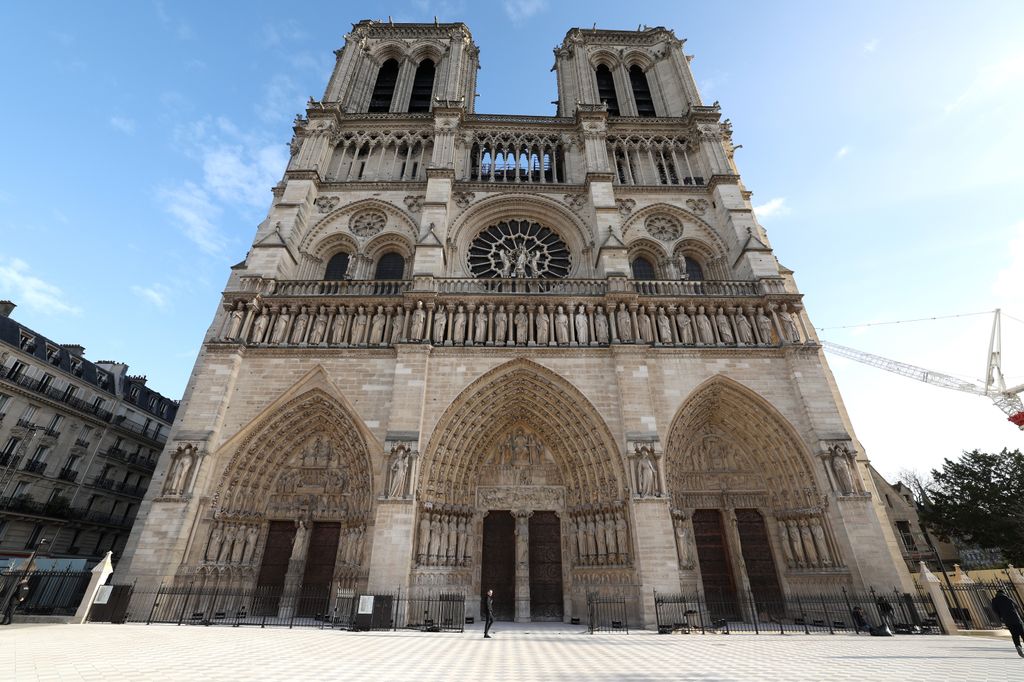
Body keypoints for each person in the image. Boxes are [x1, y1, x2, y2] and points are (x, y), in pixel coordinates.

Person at [991, 589, 1024, 658]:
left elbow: (995, 610)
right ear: (1004, 593)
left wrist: (1001, 616)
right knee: (1022, 632)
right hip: (1016, 618)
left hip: (1007, 620)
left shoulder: (994, 600)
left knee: (1014, 634)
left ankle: (1018, 646)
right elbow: (1016, 606)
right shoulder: (1008, 598)